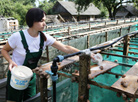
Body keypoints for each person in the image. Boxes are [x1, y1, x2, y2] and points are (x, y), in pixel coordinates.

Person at [1, 8, 94, 102]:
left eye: (44, 21)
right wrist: (10, 61)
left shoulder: (44, 37)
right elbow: (4, 50)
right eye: (41, 21)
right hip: (16, 76)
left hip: (30, 76)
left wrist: (85, 53)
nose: (44, 24)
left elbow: (65, 48)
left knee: (30, 100)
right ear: (33, 21)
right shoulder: (18, 37)